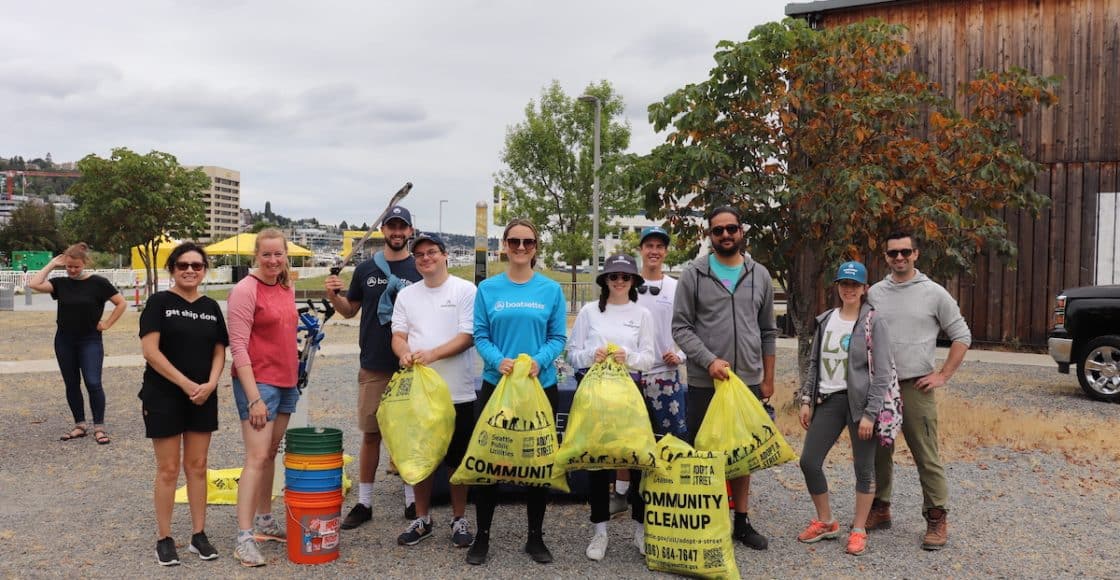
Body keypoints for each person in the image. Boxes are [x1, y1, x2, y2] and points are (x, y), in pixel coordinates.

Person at [671, 205, 777, 550]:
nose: (726, 235)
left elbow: (768, 332)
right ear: (709, 235)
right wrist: (708, 360)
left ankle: (742, 523)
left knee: (742, 454)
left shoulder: (759, 274)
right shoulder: (694, 274)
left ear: (741, 231)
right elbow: (681, 327)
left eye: (731, 228)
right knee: (706, 453)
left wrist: (768, 378)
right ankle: (709, 522)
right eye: (718, 230)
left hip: (746, 381)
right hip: (706, 381)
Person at [467, 218, 567, 566]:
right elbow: (480, 336)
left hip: (541, 388)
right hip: (498, 387)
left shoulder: (551, 290)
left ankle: (535, 537)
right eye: (514, 242)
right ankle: (481, 537)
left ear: (536, 247)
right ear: (504, 246)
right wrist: (500, 360)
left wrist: (539, 361)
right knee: (490, 461)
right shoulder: (488, 289)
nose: (521, 248)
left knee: (537, 464)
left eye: (528, 242)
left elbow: (558, 338)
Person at [867, 231, 971, 550]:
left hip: (916, 385)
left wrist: (943, 375)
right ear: (885, 257)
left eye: (905, 252)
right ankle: (880, 507)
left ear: (916, 254)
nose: (899, 257)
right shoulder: (874, 293)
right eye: (892, 253)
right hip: (882, 386)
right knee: (879, 452)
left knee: (926, 455)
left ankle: (936, 517)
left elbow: (961, 335)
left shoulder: (933, 293)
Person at [325, 206, 421, 529]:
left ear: (410, 231)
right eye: (391, 226)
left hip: (410, 364)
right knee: (371, 434)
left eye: (402, 227)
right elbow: (350, 310)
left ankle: (412, 503)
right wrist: (334, 296)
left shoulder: (420, 267)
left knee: (408, 436)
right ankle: (365, 502)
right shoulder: (366, 269)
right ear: (383, 231)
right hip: (374, 364)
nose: (396, 232)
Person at [139, 243, 228, 566]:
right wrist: (185, 383)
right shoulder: (159, 302)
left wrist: (211, 383)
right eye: (182, 265)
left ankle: (198, 534)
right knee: (168, 469)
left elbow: (220, 349)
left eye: (196, 265)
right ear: (172, 269)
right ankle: (164, 538)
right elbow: (151, 350)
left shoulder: (211, 307)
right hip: (164, 394)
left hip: (203, 394)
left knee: (198, 466)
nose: (190, 270)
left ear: (204, 269)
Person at [796, 261, 893, 557]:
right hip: (828, 401)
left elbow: (883, 373)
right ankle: (826, 521)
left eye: (855, 285)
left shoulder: (873, 322)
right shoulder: (826, 319)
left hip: (860, 404)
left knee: (863, 469)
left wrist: (870, 413)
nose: (848, 290)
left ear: (865, 289)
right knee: (809, 461)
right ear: (838, 287)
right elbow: (814, 362)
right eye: (844, 284)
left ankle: (859, 529)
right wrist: (806, 399)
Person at [389, 232, 477, 549]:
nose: (426, 258)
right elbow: (398, 334)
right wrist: (403, 352)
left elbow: (468, 336)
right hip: (419, 394)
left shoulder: (466, 290)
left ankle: (458, 518)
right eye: (420, 254)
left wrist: (433, 354)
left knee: (456, 461)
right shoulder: (407, 295)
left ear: (445, 255)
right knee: (421, 458)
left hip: (458, 392)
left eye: (432, 252)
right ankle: (423, 518)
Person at [566, 253, 656, 561]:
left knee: (637, 462)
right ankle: (599, 532)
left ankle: (641, 532)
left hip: (630, 398)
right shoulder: (590, 312)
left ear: (633, 282)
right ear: (605, 280)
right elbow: (572, 354)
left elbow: (648, 358)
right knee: (598, 463)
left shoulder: (642, 314)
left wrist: (627, 356)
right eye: (613, 276)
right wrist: (594, 353)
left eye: (625, 277)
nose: (619, 281)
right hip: (597, 400)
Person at [227, 228, 299, 567]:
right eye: (266, 254)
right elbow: (238, 346)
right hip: (258, 384)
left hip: (286, 382)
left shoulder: (286, 286)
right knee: (256, 456)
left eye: (278, 254)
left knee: (271, 451)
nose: (273, 260)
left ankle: (266, 519)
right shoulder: (245, 290)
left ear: (286, 255)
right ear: (256, 255)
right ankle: (244, 537)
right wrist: (254, 398)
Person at [607, 227, 690, 519]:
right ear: (641, 250)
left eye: (659, 246)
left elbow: (690, 327)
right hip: (629, 372)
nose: (654, 251)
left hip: (664, 373)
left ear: (666, 252)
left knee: (670, 436)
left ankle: (667, 491)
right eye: (649, 245)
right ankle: (620, 491)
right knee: (625, 433)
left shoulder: (676, 287)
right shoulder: (626, 285)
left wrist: (679, 355)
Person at [28, 242, 127, 445]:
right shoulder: (61, 283)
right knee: (71, 383)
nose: (72, 270)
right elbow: (34, 283)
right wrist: (52, 264)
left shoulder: (99, 283)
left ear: (85, 263)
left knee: (93, 382)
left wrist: (107, 323)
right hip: (64, 340)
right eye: (68, 266)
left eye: (76, 266)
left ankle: (99, 427)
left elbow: (121, 303)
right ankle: (79, 425)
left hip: (90, 339)